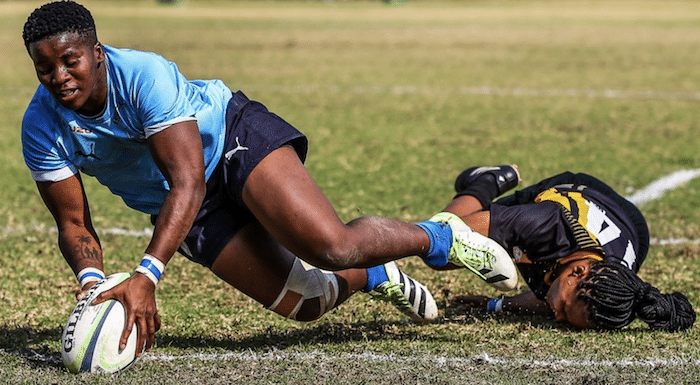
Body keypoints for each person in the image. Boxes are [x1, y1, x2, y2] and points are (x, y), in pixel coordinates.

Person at [21, 1, 520, 356]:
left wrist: (147, 275)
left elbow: (188, 181)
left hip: (229, 141)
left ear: (98, 51)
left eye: (71, 60)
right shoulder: (40, 126)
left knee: (332, 247)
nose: (60, 77)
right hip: (177, 199)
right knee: (307, 302)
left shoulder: (145, 76)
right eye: (45, 69)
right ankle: (375, 273)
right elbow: (73, 223)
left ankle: (438, 236)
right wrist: (93, 288)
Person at [444, 165, 696, 331]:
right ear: (577, 273)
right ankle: (490, 179)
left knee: (551, 290)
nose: (558, 317)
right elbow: (445, 232)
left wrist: (495, 305)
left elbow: (561, 300)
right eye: (564, 309)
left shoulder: (611, 297)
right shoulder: (547, 224)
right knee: (443, 255)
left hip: (632, 231)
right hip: (571, 191)